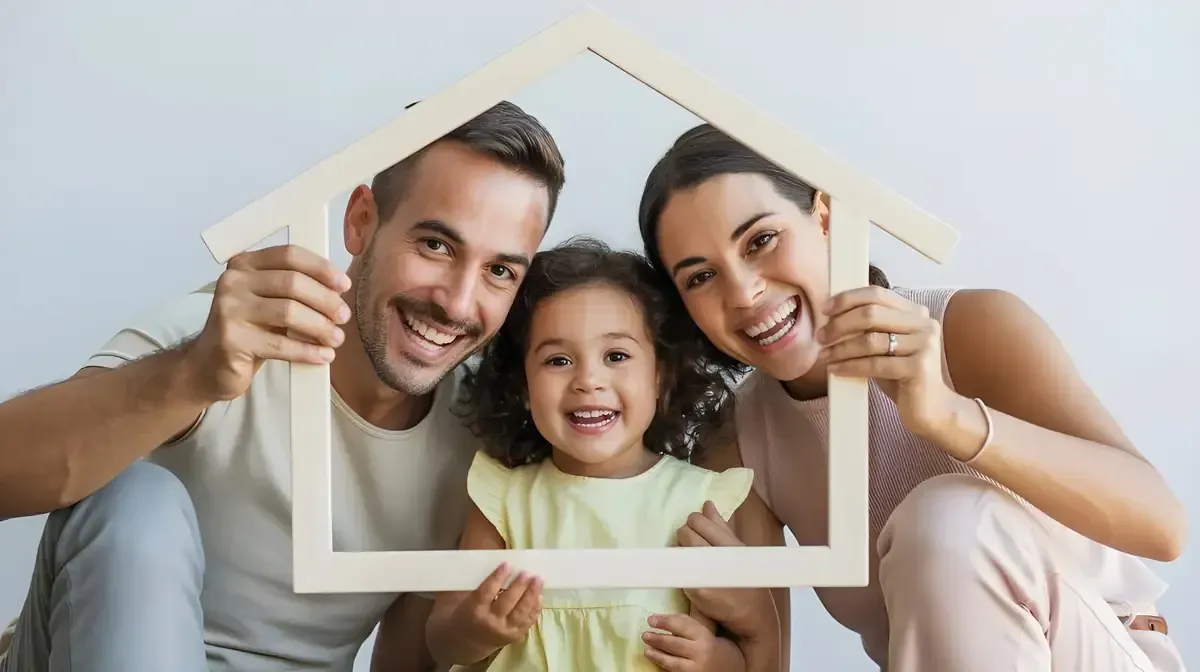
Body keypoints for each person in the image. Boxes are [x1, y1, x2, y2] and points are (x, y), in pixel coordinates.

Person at [0, 101, 568, 672]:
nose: (457, 303)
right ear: (361, 222)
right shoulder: (225, 334)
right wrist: (192, 373)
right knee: (136, 499)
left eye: (500, 271)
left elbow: (403, 660)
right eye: (435, 245)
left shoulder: (476, 431)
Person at [637, 124, 1189, 671]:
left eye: (761, 240)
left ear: (825, 217)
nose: (744, 291)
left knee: (950, 518)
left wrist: (948, 416)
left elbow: (1162, 529)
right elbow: (766, 660)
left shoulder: (970, 327)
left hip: (1098, 650)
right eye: (702, 277)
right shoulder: (738, 441)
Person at [424, 237, 783, 672]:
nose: (588, 380)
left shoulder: (706, 503)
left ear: (660, 377)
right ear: (522, 385)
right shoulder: (502, 500)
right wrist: (474, 630)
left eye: (616, 355)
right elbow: (441, 643)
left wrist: (716, 661)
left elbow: (761, 657)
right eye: (558, 360)